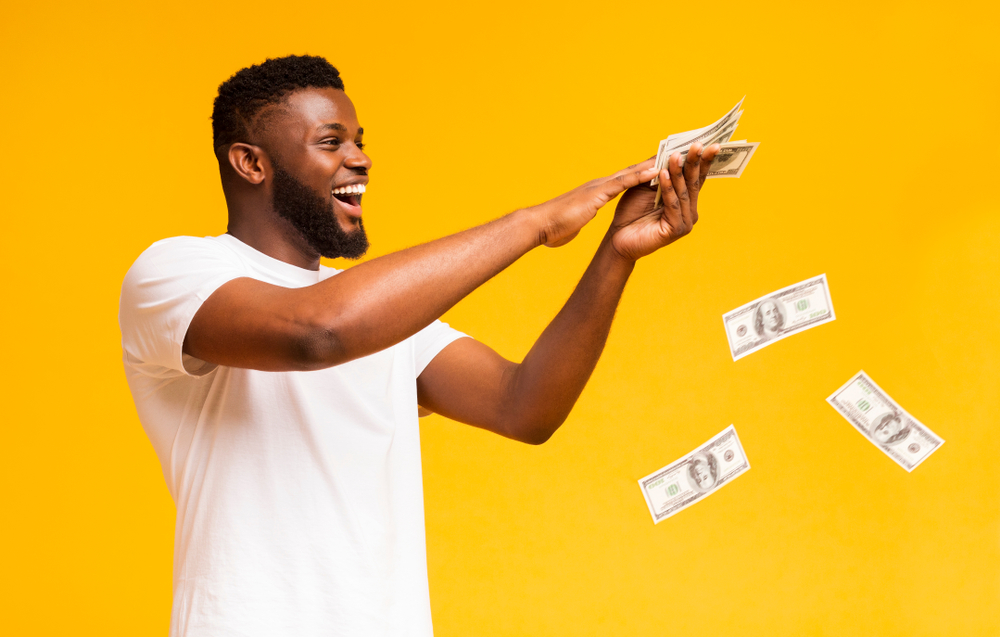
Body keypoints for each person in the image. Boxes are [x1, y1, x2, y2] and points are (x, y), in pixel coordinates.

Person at [119, 54, 722, 637]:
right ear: (251, 163)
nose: (361, 159)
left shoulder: (380, 311)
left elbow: (524, 407)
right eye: (332, 143)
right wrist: (535, 223)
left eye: (358, 140)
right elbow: (317, 332)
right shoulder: (177, 272)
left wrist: (615, 251)